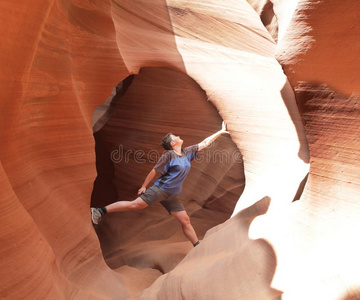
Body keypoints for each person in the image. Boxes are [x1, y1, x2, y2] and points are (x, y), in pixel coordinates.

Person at [91, 121, 229, 247]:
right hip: (160, 189)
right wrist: (144, 186)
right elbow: (154, 171)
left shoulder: (186, 152)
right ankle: (98, 211)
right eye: (175, 137)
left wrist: (221, 131)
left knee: (185, 219)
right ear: (172, 144)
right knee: (135, 204)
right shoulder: (168, 155)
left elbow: (204, 143)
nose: (178, 136)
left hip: (170, 194)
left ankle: (197, 246)